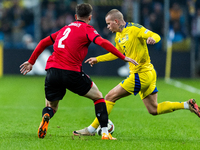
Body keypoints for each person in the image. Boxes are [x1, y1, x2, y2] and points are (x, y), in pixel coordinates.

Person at [73, 9, 200, 136]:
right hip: (148, 73)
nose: (107, 26)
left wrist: (152, 39)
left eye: (108, 23)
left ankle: (90, 130)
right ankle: (186, 105)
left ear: (116, 21)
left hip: (141, 75)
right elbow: (116, 53)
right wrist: (98, 59)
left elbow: (156, 35)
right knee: (153, 109)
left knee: (109, 97)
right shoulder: (118, 35)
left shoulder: (134, 29)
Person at [20, 4, 138, 140]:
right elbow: (103, 42)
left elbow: (42, 42)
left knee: (51, 106)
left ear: (76, 16)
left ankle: (46, 116)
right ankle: (105, 132)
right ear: (90, 17)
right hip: (71, 72)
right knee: (98, 97)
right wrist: (123, 56)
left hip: (52, 71)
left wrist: (31, 61)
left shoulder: (64, 29)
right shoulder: (88, 29)